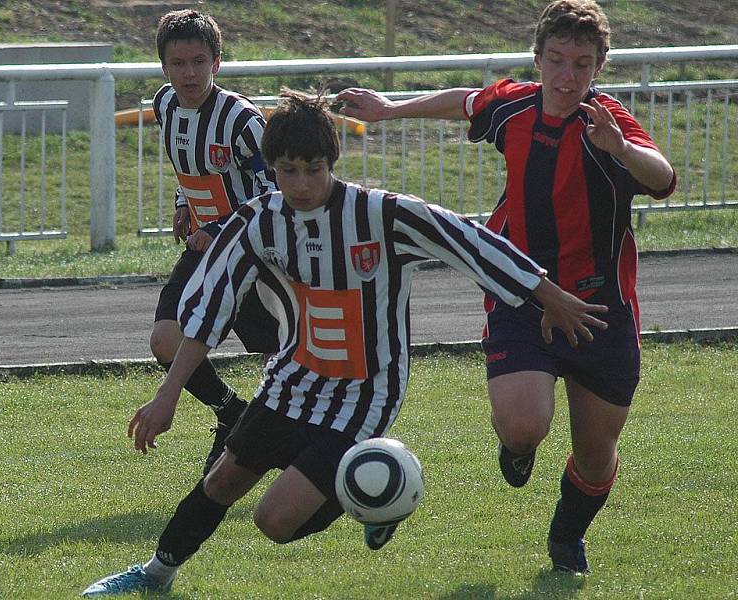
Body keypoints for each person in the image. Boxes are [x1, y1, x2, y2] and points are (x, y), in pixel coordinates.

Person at [81, 90, 610, 596]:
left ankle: (380, 497)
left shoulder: (380, 215)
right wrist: (168, 395)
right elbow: (205, 312)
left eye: (313, 168)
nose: (302, 183)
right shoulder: (258, 221)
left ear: (331, 160)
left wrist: (550, 297)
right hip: (292, 380)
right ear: (272, 167)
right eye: (288, 170)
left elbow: (472, 242)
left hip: (365, 392)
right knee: (222, 483)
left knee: (273, 522)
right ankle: (154, 573)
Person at [336, 0, 676, 575]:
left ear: (599, 67)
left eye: (583, 64)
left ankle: (566, 537)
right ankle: (517, 449)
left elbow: (663, 177)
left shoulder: (607, 121)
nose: (569, 77)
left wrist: (621, 149)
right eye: (559, 61)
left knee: (595, 461)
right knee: (523, 425)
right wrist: (390, 109)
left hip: (600, 307)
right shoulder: (514, 105)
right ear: (538, 58)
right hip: (520, 289)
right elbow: (462, 102)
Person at [148, 9, 279, 475]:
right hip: (203, 251)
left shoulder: (242, 120)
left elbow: (275, 193)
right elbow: (190, 166)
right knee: (166, 340)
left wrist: (220, 227)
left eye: (198, 61)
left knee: (282, 355)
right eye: (178, 62)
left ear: (217, 63)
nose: (188, 72)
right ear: (163, 65)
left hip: (253, 256)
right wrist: (183, 203)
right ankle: (231, 413)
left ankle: (316, 443)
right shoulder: (164, 104)